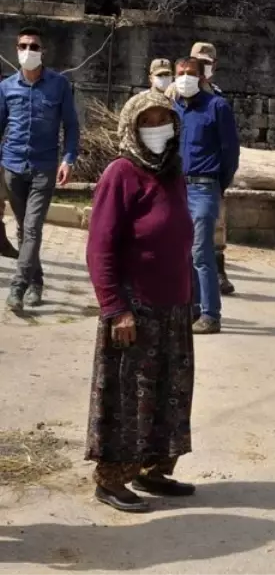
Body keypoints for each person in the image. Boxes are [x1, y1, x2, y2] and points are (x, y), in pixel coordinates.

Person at [85, 90, 196, 513]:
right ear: (132, 127)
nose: (156, 129)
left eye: (162, 121)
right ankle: (111, 480)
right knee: (128, 398)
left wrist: (193, 297)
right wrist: (115, 307)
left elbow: (182, 238)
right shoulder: (121, 173)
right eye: (147, 122)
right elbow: (100, 248)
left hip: (174, 307)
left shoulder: (174, 172)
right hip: (134, 309)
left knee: (169, 392)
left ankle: (153, 470)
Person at [0, 27, 80, 312]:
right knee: (23, 229)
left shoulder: (59, 85)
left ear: (42, 51)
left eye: (34, 46)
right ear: (16, 49)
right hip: (12, 167)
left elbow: (71, 126)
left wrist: (68, 160)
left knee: (32, 228)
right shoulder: (7, 87)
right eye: (23, 46)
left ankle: (18, 286)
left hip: (44, 167)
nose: (28, 51)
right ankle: (37, 281)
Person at [174, 56, 239, 334]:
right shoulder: (175, 109)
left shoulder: (217, 108)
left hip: (204, 188)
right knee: (183, 254)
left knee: (201, 253)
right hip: (178, 188)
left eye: (190, 73)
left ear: (202, 78)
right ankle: (194, 308)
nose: (184, 78)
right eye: (180, 73)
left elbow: (230, 153)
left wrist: (218, 185)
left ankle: (212, 314)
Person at [190, 42, 236, 296]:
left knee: (217, 225)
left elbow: (229, 144)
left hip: (210, 173)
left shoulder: (218, 98)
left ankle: (217, 272)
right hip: (184, 173)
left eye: (207, 63)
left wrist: (223, 179)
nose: (203, 67)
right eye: (199, 62)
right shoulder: (177, 92)